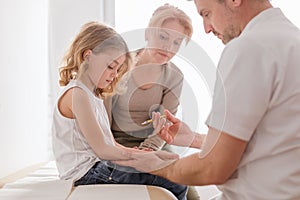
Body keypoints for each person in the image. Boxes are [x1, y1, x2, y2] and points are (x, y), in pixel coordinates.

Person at [113, 0, 300, 199]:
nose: (207, 28)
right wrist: (194, 139)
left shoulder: (248, 47)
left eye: (207, 13)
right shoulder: (291, 38)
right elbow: (270, 140)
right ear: (148, 33)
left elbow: (213, 168)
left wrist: (157, 164)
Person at [51, 21, 188, 200]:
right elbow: (102, 150)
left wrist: (151, 155)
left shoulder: (93, 95)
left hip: (98, 167)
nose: (114, 74)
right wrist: (146, 160)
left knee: (176, 171)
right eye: (110, 66)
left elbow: (110, 144)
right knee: (175, 181)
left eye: (118, 69)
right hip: (86, 173)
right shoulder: (77, 95)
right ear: (88, 56)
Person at [104, 4, 200, 200]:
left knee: (192, 196)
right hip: (117, 142)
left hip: (155, 144)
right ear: (148, 33)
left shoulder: (174, 76)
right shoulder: (119, 65)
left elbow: (165, 125)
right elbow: (102, 119)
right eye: (163, 37)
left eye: (177, 42)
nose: (168, 47)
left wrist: (148, 151)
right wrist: (120, 151)